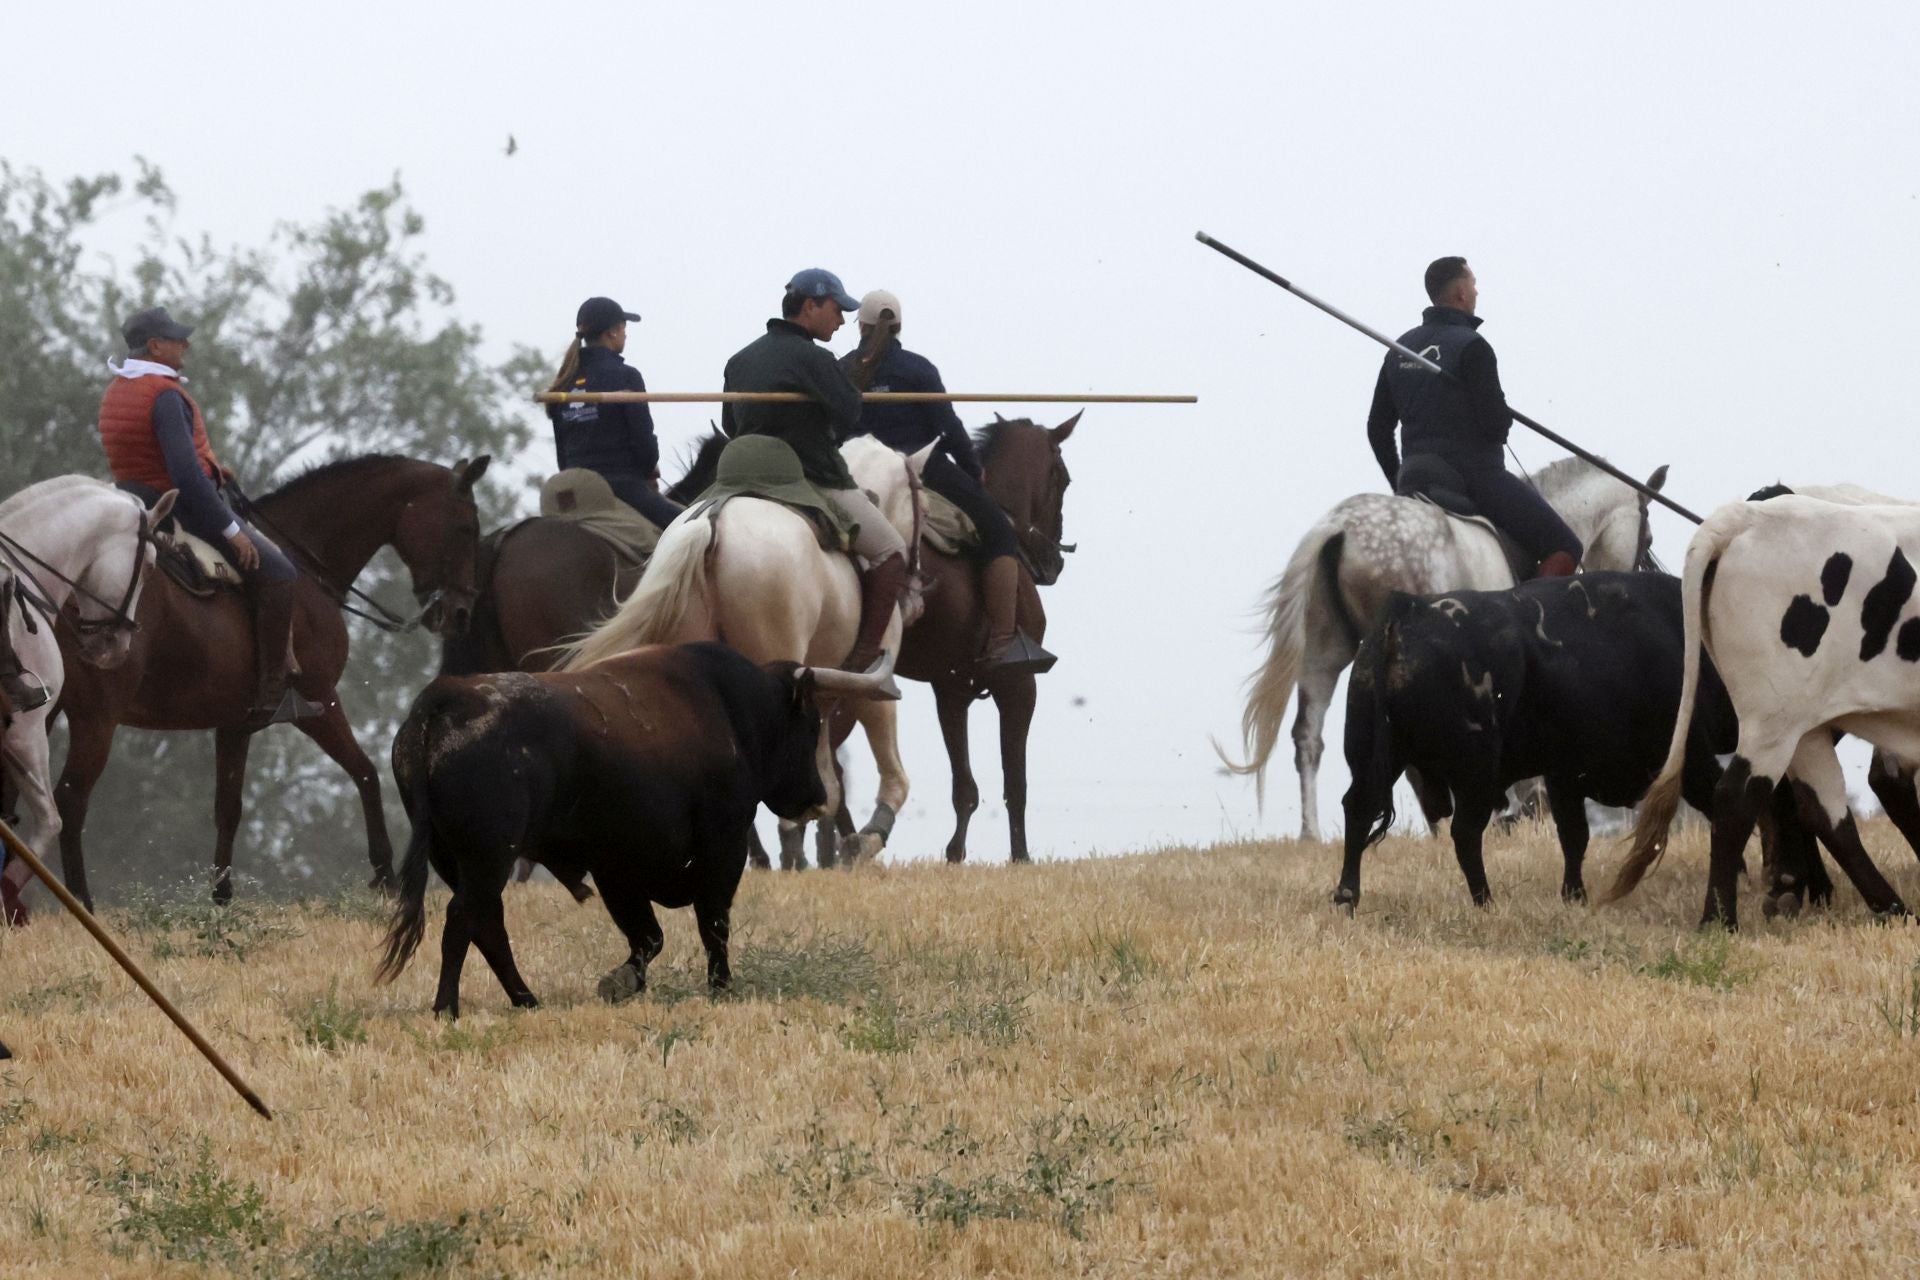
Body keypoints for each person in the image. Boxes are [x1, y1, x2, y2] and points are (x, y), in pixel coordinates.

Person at [97, 307, 321, 730]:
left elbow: (144, 454)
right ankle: (273, 696)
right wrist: (231, 530)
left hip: (130, 498)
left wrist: (215, 470)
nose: (186, 345)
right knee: (279, 573)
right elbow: (184, 478)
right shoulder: (164, 396)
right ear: (156, 346)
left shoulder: (119, 389)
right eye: (177, 339)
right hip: (176, 504)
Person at [841, 289, 1054, 675]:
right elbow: (947, 427)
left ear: (861, 326)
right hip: (922, 466)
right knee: (998, 530)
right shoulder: (917, 369)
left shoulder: (841, 371)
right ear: (899, 325)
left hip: (855, 469)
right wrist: (973, 470)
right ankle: (1004, 640)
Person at [721, 269, 908, 672]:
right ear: (810, 306)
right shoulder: (815, 358)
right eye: (836, 309)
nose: (841, 320)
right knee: (892, 552)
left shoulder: (740, 360)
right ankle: (864, 659)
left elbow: (730, 426)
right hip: (810, 476)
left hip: (738, 477)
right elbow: (849, 413)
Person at [1365, 257, 1583, 578]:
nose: (1477, 291)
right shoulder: (1473, 346)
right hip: (1474, 477)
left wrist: (1399, 481)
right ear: (1461, 294)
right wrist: (1500, 416)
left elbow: (1377, 428)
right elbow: (1495, 426)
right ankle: (1526, 618)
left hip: (1414, 475)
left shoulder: (1399, 349)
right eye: (1474, 284)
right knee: (1565, 547)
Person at [544, 296, 682, 529]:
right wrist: (649, 468)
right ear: (613, 332)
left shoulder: (563, 382)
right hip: (621, 486)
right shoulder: (626, 376)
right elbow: (644, 443)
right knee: (692, 529)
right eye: (624, 328)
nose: (626, 334)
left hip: (570, 487)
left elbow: (562, 454)